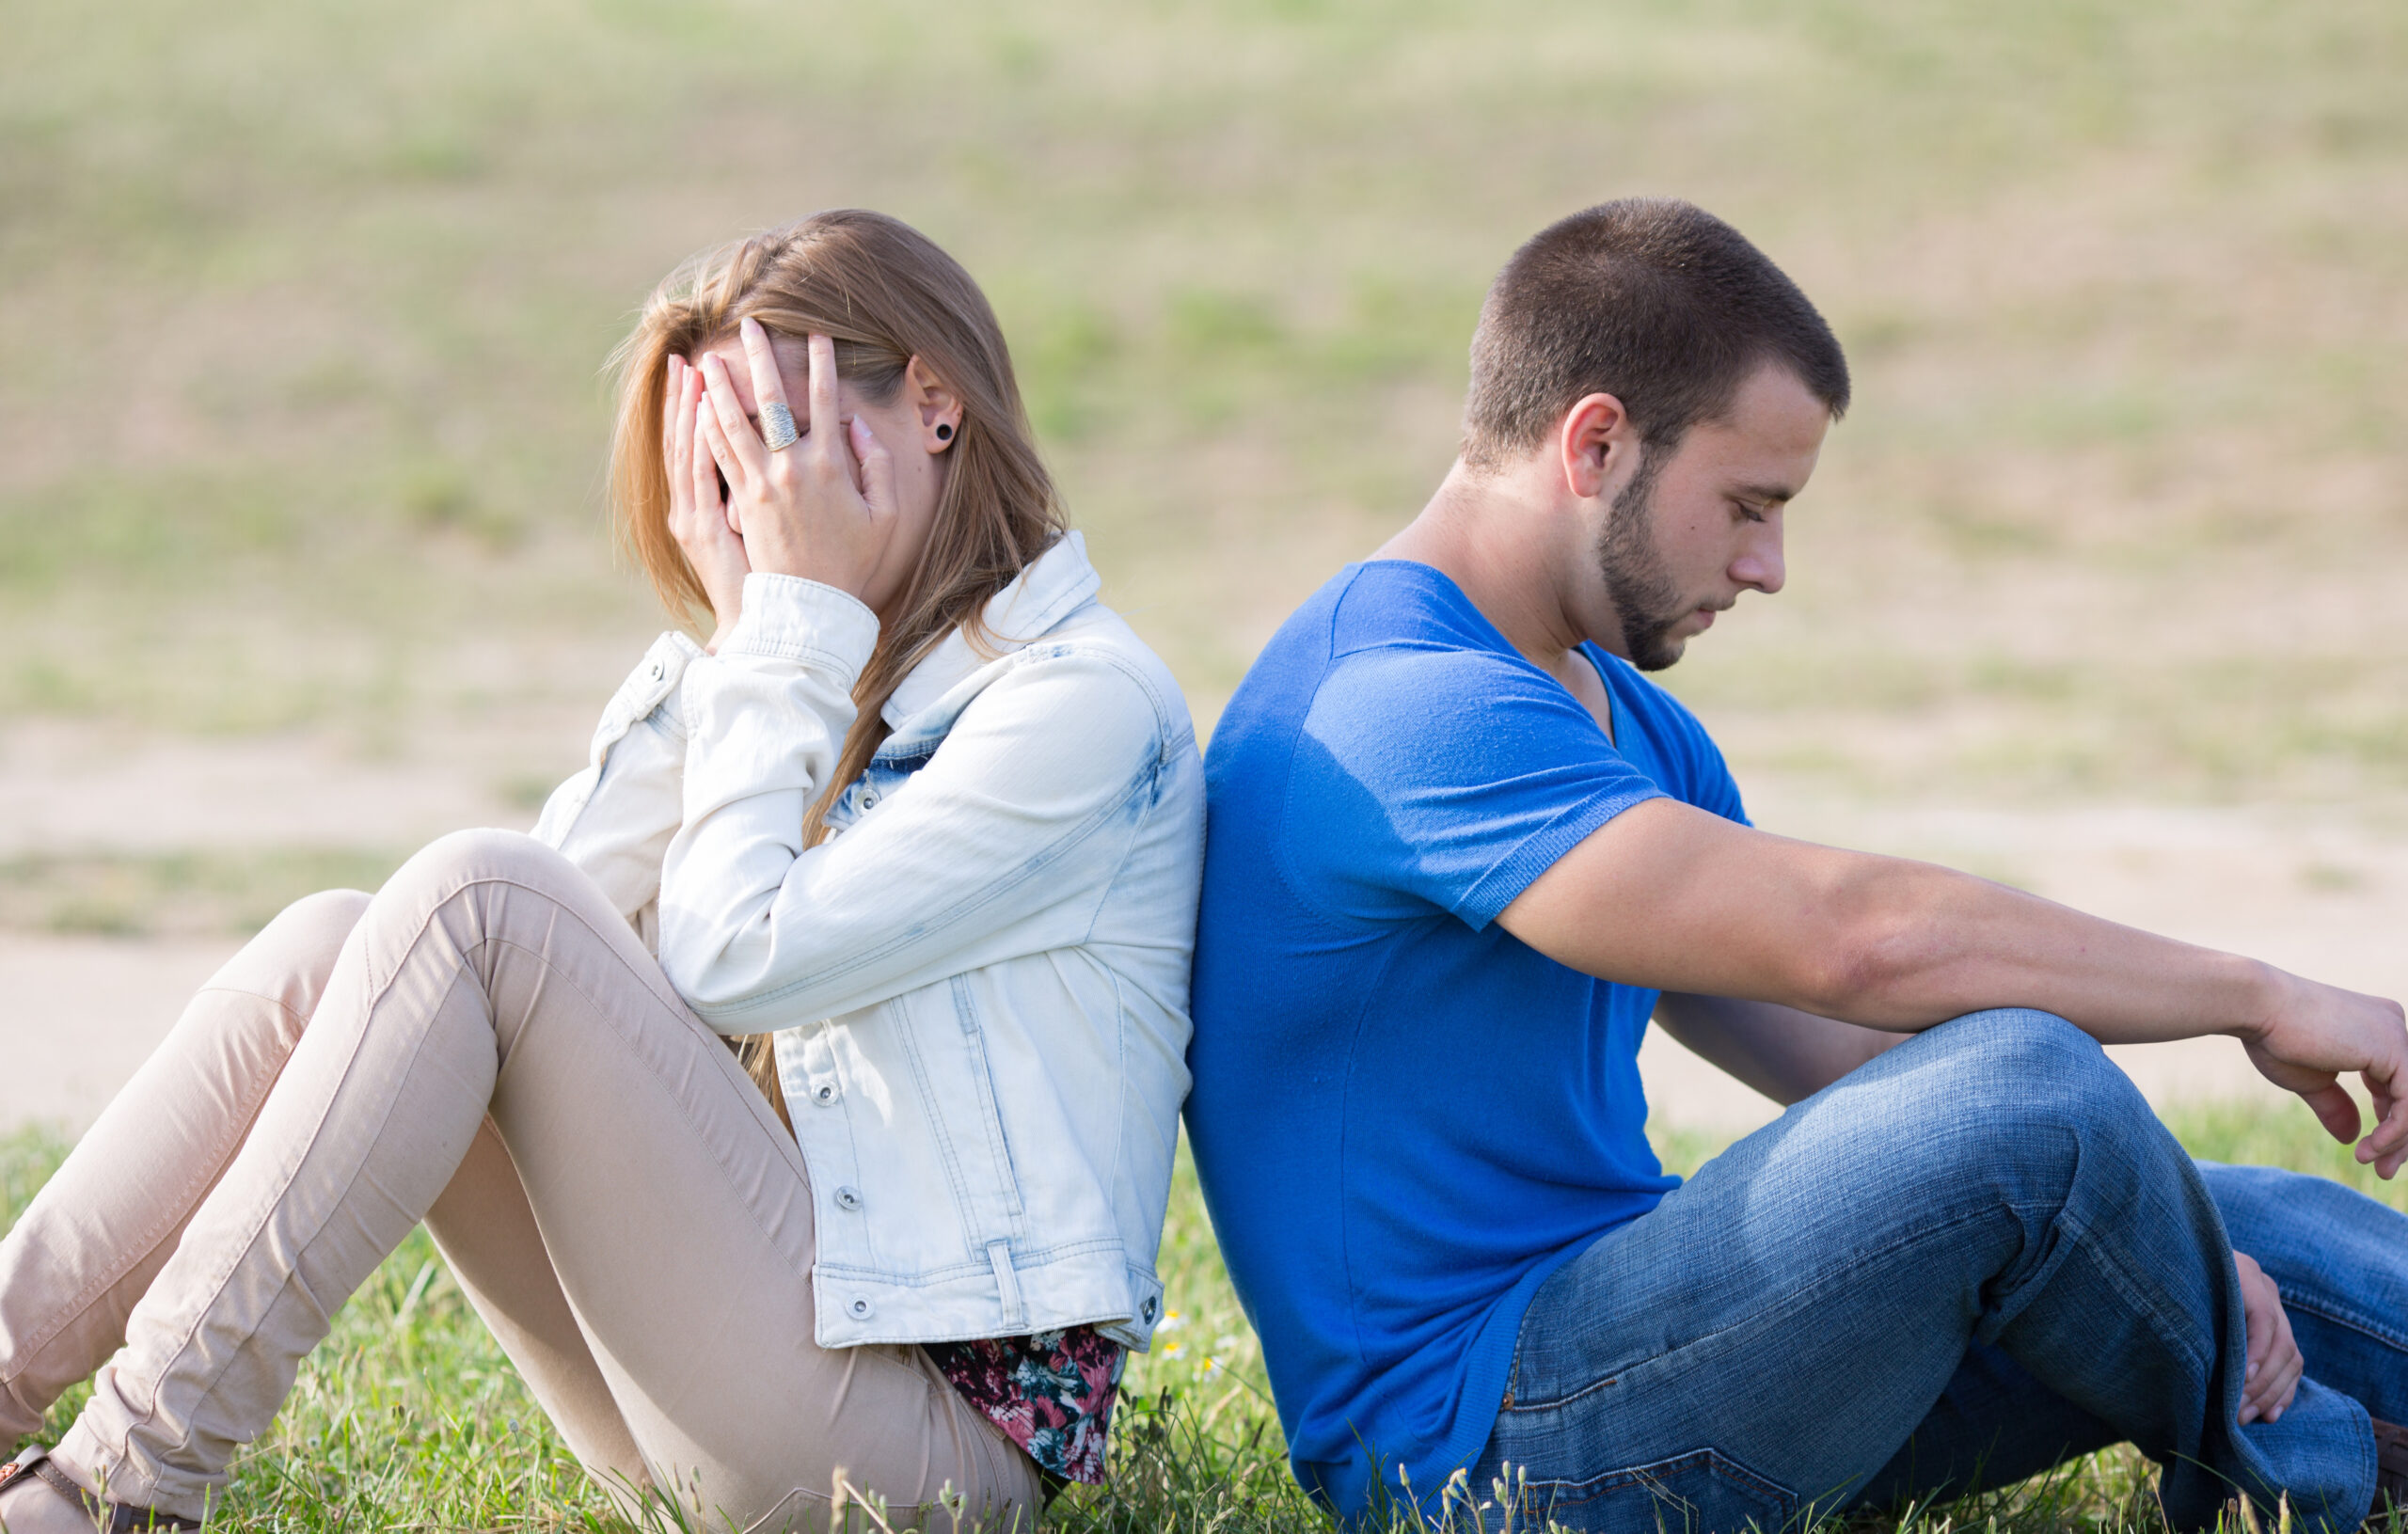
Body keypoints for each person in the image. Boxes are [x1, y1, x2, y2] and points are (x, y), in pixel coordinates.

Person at [1184, 198, 2408, 1533]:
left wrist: (2168, 1235)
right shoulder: (1392, 707)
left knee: (2243, 1222)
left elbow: (1856, 1051)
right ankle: (2307, 1486)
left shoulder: (1629, 722)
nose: (1768, 568)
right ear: (1595, 443)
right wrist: (2259, 993)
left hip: (1679, 1358)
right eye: (1748, 506)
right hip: (1485, 1455)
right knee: (2033, 1098)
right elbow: (1859, 944)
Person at [0, 209, 1203, 1533]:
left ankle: (118, 1489)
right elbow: (483, 984)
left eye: (777, 446)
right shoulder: (803, 678)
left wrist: (790, 635)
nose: (760, 506)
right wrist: (752, 637)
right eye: (724, 475)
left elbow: (724, 954)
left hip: (924, 1456)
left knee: (477, 903)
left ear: (933, 403)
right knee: (347, 944)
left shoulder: (1082, 711)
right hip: (726, 1383)